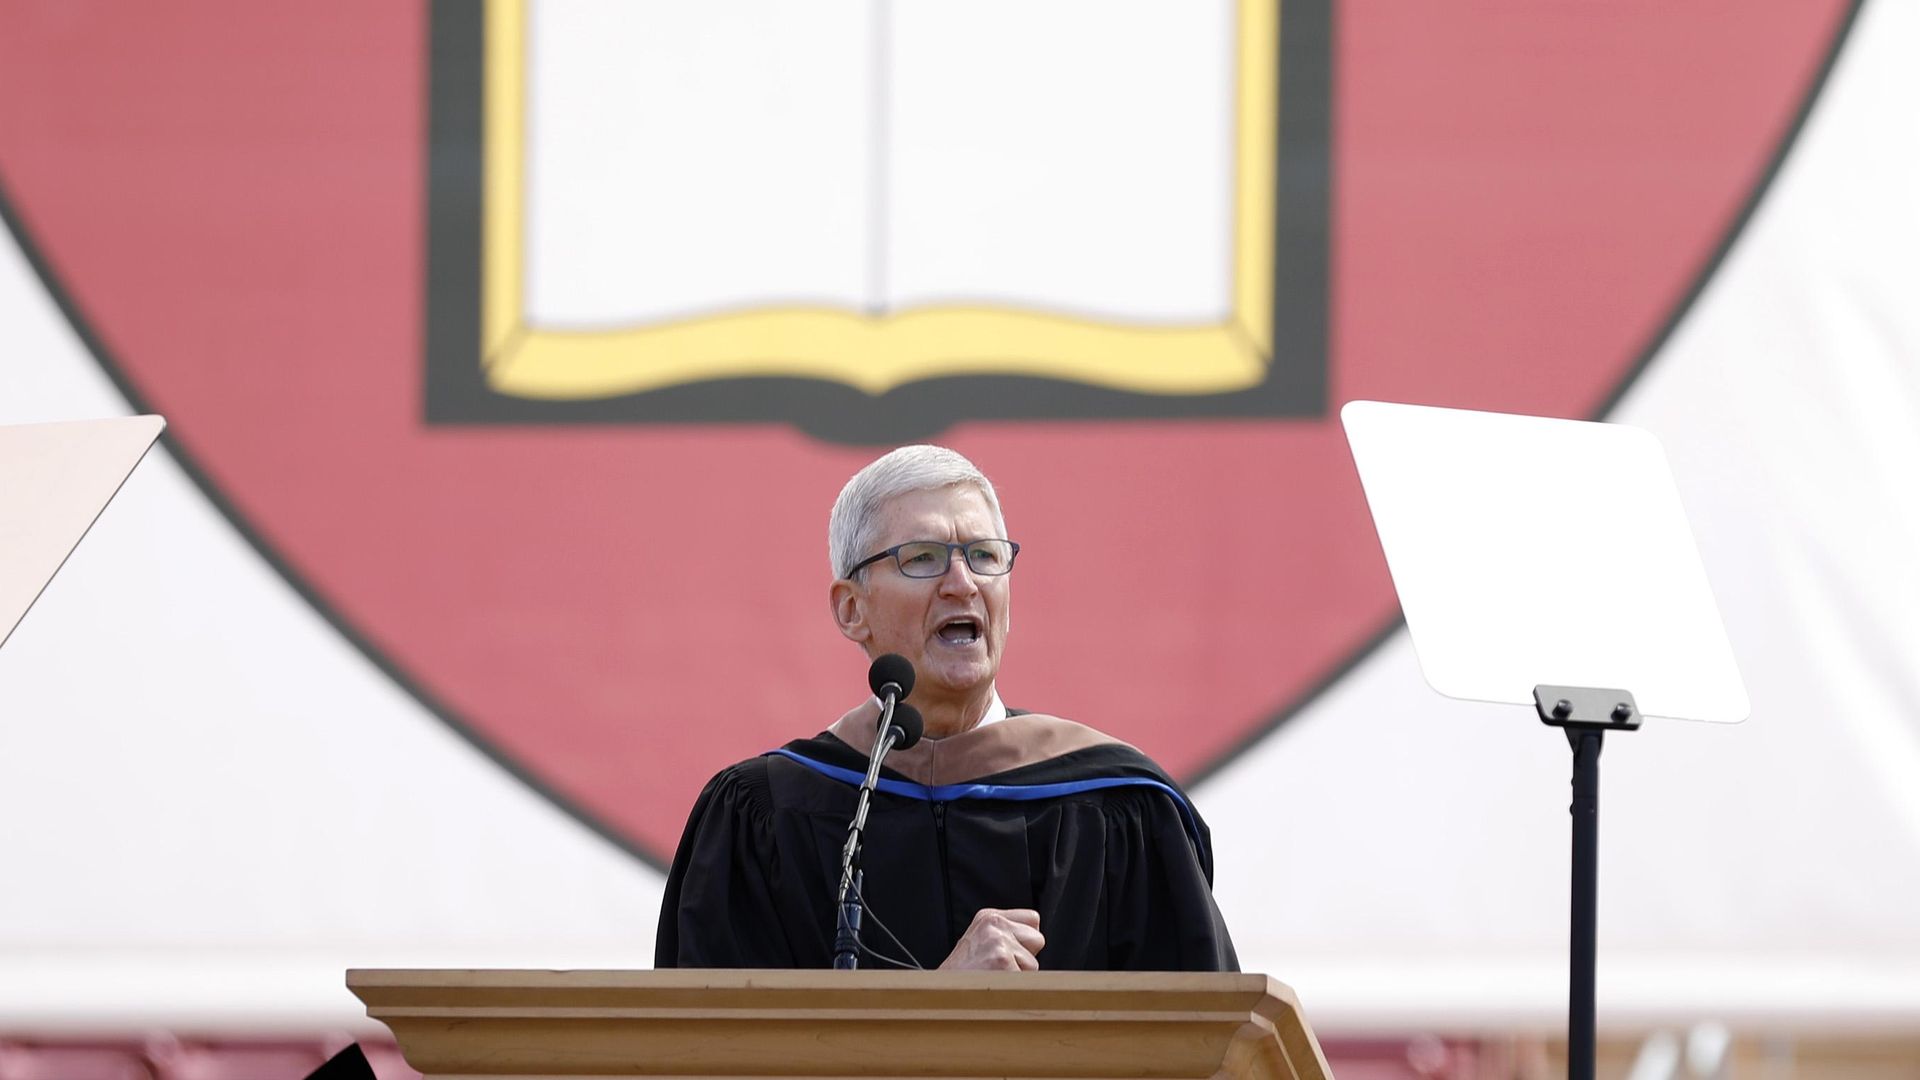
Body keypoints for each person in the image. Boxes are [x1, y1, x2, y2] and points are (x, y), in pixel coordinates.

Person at [655, 445, 1237, 971]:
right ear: (851, 609)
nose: (963, 582)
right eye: (924, 557)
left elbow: (1208, 1046)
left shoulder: (1119, 806)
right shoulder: (765, 818)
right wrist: (939, 1009)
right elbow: (716, 1050)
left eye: (984, 555)